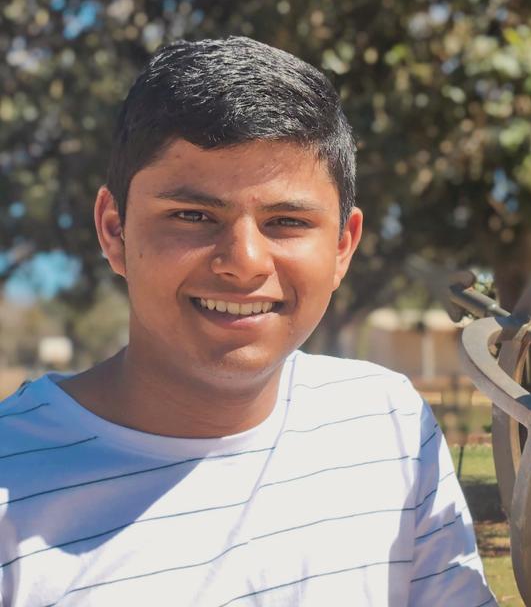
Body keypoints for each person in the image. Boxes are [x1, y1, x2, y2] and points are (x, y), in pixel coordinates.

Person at [0, 37, 495, 606]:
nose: (244, 262)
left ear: (342, 247)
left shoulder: (390, 426)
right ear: (114, 229)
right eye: (191, 215)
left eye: (286, 221)